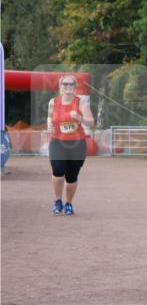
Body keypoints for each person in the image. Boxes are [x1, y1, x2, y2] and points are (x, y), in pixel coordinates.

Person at [47, 75, 94, 215]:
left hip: (77, 144)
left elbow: (91, 122)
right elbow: (50, 116)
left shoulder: (81, 103)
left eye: (71, 84)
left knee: (72, 177)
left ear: (75, 87)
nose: (68, 87)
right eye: (65, 84)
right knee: (58, 170)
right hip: (57, 142)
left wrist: (79, 118)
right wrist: (49, 125)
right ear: (60, 87)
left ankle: (68, 203)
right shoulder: (53, 102)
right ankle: (57, 201)